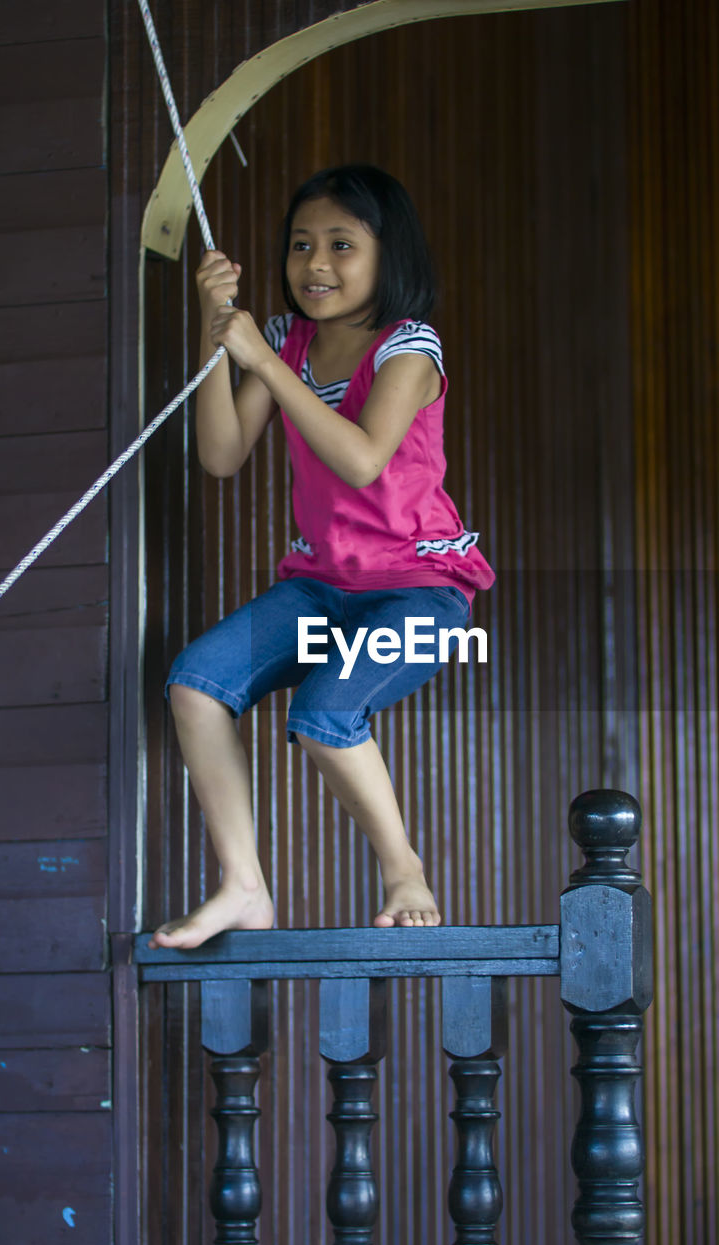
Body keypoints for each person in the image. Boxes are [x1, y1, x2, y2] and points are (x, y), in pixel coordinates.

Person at [149, 164, 494, 950]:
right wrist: (217, 334)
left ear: (389, 255)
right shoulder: (285, 341)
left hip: (420, 591)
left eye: (342, 245)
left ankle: (403, 869)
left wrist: (265, 365)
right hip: (321, 587)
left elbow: (364, 458)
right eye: (302, 245)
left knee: (324, 714)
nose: (316, 265)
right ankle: (242, 887)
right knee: (196, 688)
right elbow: (222, 454)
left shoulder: (410, 346)